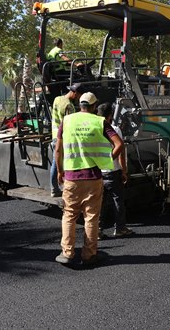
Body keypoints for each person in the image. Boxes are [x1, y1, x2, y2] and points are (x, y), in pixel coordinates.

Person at [54, 92, 124, 267]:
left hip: (71, 177)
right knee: (91, 217)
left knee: (69, 215)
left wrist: (60, 171)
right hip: (93, 177)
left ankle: (67, 253)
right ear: (94, 107)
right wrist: (107, 161)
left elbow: (58, 150)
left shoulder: (67, 121)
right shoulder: (99, 122)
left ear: (80, 104)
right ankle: (89, 255)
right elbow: (119, 144)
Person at [97, 102, 133, 240]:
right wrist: (124, 171)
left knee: (100, 202)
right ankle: (120, 228)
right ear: (110, 115)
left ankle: (98, 230)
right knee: (118, 201)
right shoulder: (115, 130)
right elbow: (121, 152)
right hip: (113, 171)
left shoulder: (94, 129)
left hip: (99, 171)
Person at [49, 83, 85, 197]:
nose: (79, 98)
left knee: (56, 161)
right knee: (60, 163)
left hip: (54, 135)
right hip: (63, 138)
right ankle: (58, 188)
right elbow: (71, 124)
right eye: (79, 96)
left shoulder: (57, 99)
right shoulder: (69, 106)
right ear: (74, 93)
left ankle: (54, 188)